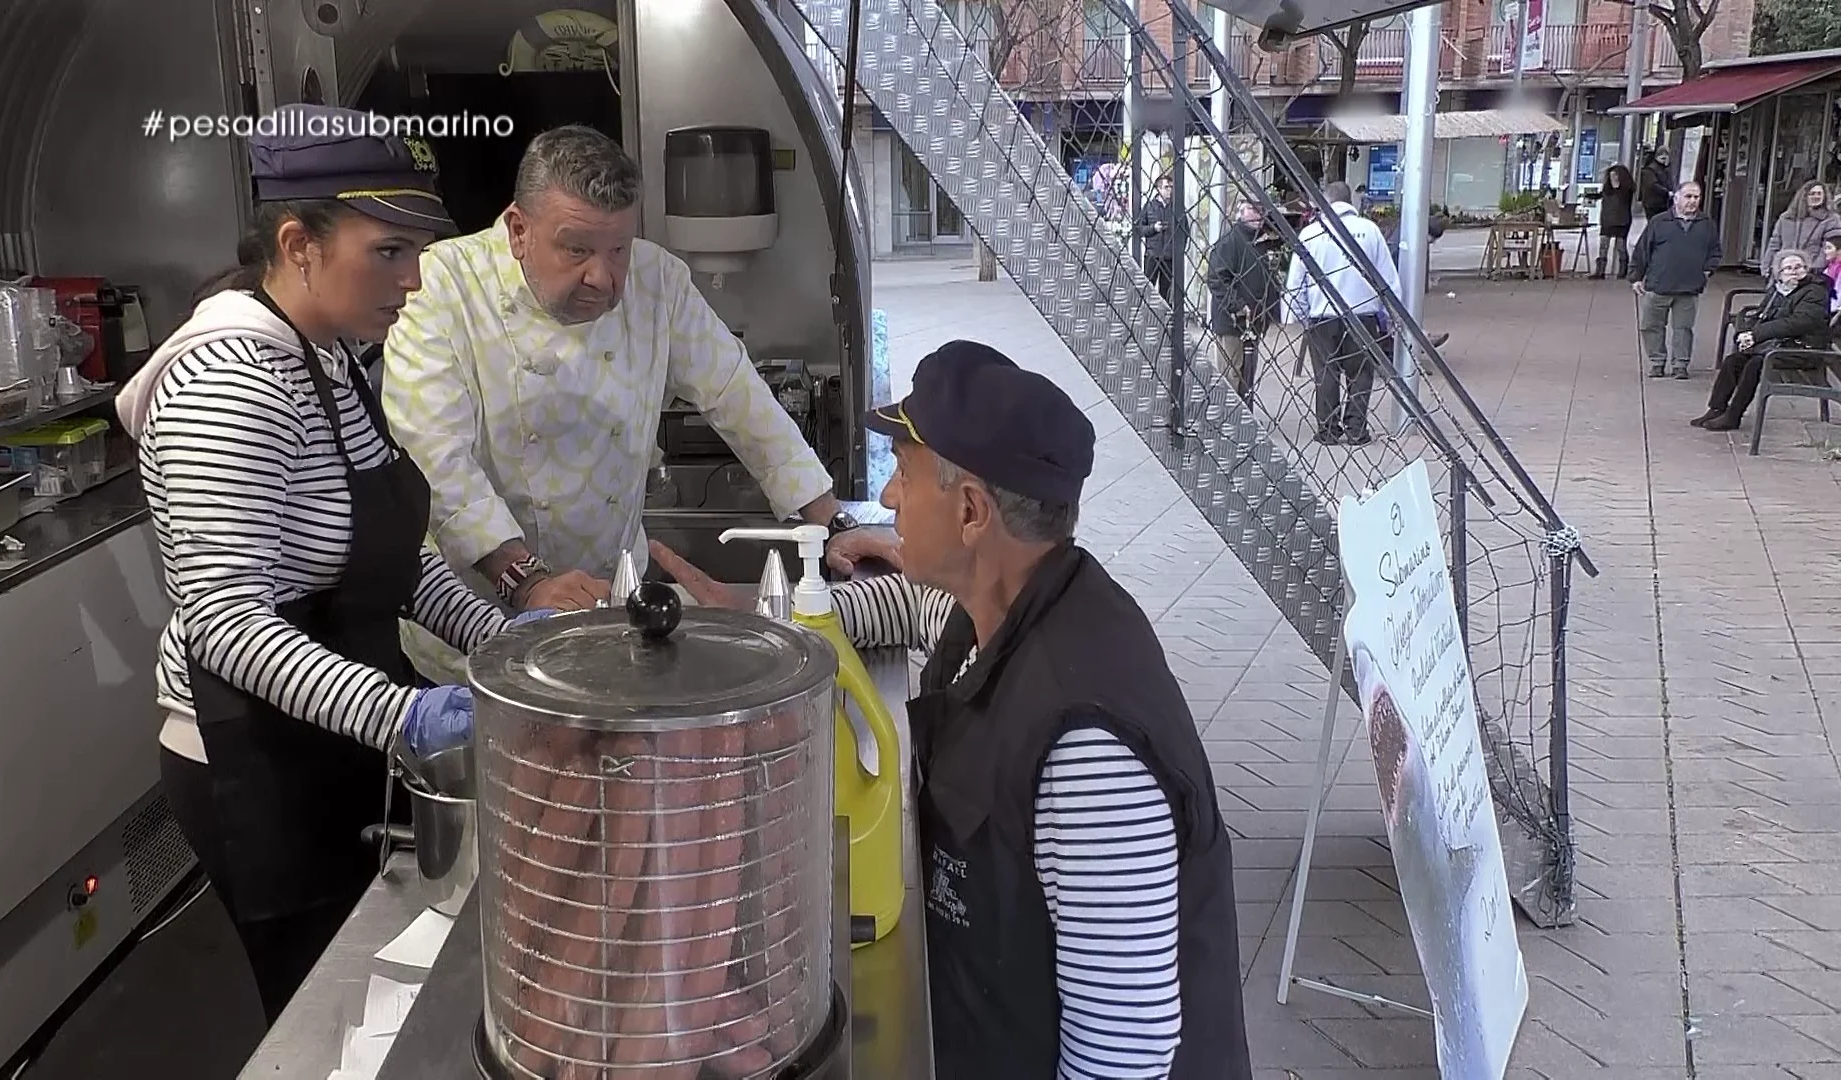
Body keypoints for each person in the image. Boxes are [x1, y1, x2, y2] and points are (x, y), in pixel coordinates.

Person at [655, 340, 1253, 1080]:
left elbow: (1124, 1048)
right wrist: (762, 612)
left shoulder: (1087, 742)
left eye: (904, 476)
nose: (892, 500)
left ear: (971, 512)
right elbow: (909, 605)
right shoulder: (1004, 603)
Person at [113, 104, 552, 1022]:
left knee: (371, 994)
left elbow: (390, 554)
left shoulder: (332, 354)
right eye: (388, 251)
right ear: (297, 244)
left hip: (328, 738)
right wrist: (407, 714)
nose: (416, 277)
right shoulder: (232, 377)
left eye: (419, 250)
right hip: (258, 761)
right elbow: (226, 625)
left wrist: (507, 643)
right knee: (326, 1019)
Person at [380, 125, 894, 682]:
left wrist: (831, 521)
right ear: (518, 229)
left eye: (617, 249)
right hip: (473, 624)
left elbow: (739, 397)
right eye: (576, 249)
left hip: (612, 608)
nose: (601, 276)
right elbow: (436, 461)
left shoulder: (656, 282)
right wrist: (526, 580)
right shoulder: (442, 288)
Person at [1284, 180, 1402, 445]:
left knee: (1325, 373)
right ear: (1351, 202)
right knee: (1360, 374)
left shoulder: (1312, 233)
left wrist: (1299, 314)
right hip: (1363, 314)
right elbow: (1387, 277)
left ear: (1325, 200)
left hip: (1322, 315)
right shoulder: (1369, 231)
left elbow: (1296, 280)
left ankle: (1327, 429)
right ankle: (1355, 429)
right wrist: (1392, 314)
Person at [1691, 248, 1833, 432]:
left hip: (1802, 349)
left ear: (1807, 269)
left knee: (1755, 364)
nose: (1794, 271)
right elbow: (1760, 315)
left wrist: (1756, 335)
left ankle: (1734, 416)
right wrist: (1744, 333)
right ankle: (1716, 408)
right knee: (1734, 360)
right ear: (1779, 274)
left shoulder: (1815, 291)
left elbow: (1797, 323)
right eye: (1788, 268)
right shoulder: (1778, 290)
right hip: (1778, 345)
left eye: (1799, 267)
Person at [1629, 180, 1721, 379]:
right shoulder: (1659, 222)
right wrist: (1636, 276)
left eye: (1696, 197)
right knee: (1651, 326)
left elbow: (1715, 251)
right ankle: (1657, 361)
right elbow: (1642, 250)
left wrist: (1706, 271)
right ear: (1676, 197)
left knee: (1683, 329)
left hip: (1689, 288)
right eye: (1688, 196)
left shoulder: (1706, 224)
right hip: (1658, 285)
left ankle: (1680, 364)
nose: (1693, 201)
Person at [1206, 195, 1280, 401]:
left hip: (1254, 322)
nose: (1259, 215)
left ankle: (1244, 418)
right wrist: (1237, 306)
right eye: (1253, 209)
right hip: (1232, 323)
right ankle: (1229, 420)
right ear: (1241, 211)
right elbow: (1216, 278)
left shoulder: (1261, 241)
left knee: (1247, 376)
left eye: (1262, 210)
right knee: (1231, 375)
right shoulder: (1230, 242)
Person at [1759, 180, 1841, 276]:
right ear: (1804, 196)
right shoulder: (1786, 218)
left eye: (1819, 194)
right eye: (1812, 194)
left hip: (1812, 273)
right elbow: (1775, 244)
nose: (1816, 197)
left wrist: (1814, 269)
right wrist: (1766, 266)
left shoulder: (1831, 219)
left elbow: (1830, 247)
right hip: (1784, 271)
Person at [1136, 172, 1177, 304]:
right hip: (1152, 255)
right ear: (1158, 189)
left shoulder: (1176, 208)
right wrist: (1153, 228)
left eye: (1170, 187)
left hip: (1169, 256)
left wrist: (1177, 249)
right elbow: (1139, 229)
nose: (1169, 190)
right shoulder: (1149, 207)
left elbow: (1185, 231)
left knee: (1166, 291)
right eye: (1166, 187)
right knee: (1148, 288)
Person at [1591, 163, 1636, 280]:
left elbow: (1627, 196)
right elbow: (1600, 196)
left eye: (1615, 176)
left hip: (1622, 220)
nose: (1613, 179)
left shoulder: (1626, 190)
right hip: (1608, 220)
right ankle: (1600, 271)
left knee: (1621, 246)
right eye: (1611, 177)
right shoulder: (1607, 189)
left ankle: (1623, 271)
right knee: (1603, 245)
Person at [1639, 146, 1674, 219]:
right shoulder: (1651, 169)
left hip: (1659, 203)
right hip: (1654, 204)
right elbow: (1652, 185)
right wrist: (1667, 192)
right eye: (1663, 158)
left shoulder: (1661, 169)